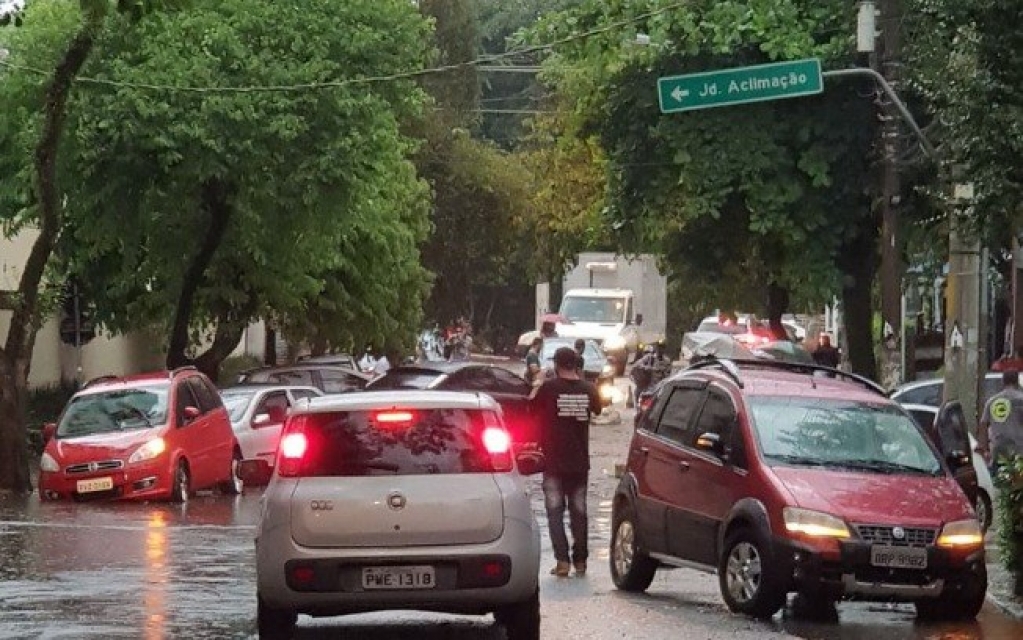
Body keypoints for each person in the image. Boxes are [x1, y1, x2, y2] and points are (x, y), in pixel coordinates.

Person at [532, 347, 602, 577]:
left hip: (553, 461)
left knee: (554, 512)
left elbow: (530, 408)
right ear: (576, 364)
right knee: (579, 512)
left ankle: (562, 562)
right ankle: (581, 561)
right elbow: (599, 410)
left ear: (556, 365)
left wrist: (537, 382)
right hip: (580, 462)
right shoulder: (589, 389)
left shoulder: (549, 388)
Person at [977, 370, 1023, 474]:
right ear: (1017, 381)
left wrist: (984, 449)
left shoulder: (992, 401)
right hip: (1020, 449)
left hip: (999, 449)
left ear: (1003, 382)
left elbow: (983, 425)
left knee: (999, 480)